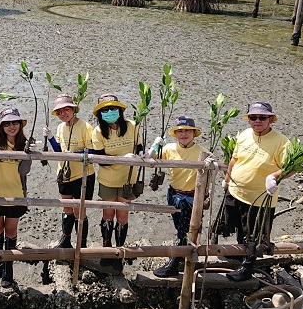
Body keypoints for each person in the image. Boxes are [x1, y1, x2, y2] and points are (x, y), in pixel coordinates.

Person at [222, 101, 290, 282]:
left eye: (262, 117)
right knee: (238, 225)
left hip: (260, 197)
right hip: (236, 191)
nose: (257, 121)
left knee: (254, 232)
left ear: (270, 119)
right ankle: (240, 254)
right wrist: (227, 180)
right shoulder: (244, 135)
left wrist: (273, 177)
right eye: (253, 117)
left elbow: (291, 167)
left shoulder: (282, 142)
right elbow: (234, 159)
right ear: (248, 120)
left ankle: (247, 266)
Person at [0, 107, 34, 288]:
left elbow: (24, 171)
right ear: (1, 126)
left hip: (16, 194)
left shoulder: (25, 142)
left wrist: (29, 155)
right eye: (7, 123)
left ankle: (8, 267)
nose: (11, 126)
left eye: (15, 122)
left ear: (20, 124)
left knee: (10, 231)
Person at [151, 116, 209, 277]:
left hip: (192, 197)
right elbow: (151, 158)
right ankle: (185, 253)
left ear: (194, 133)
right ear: (175, 134)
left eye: (187, 131)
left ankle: (174, 262)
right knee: (179, 227)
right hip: (174, 193)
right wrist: (156, 146)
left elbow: (211, 171)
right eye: (180, 131)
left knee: (183, 231)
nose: (184, 134)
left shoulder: (203, 152)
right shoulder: (168, 149)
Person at [91, 93, 140, 271]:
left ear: (120, 110)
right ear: (100, 114)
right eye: (105, 110)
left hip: (129, 180)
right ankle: (106, 248)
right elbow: (100, 159)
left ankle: (119, 251)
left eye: (113, 108)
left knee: (123, 216)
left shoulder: (132, 126)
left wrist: (144, 153)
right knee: (108, 215)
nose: (110, 112)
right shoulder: (98, 132)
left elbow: (139, 147)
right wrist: (122, 158)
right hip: (108, 180)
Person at [43, 93, 96, 249]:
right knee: (66, 207)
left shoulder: (86, 127)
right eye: (59, 112)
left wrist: (74, 155)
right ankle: (65, 240)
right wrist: (51, 137)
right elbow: (59, 150)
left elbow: (92, 152)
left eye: (66, 110)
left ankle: (82, 243)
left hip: (83, 174)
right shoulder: (60, 127)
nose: (63, 114)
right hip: (64, 173)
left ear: (74, 109)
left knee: (79, 210)